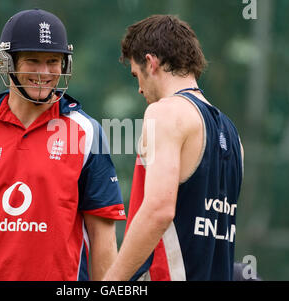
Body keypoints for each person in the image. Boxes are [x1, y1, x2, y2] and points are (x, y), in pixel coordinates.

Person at [0, 9, 125, 281]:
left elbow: (102, 237)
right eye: (32, 61)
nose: (44, 72)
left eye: (53, 61)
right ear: (6, 63)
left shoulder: (88, 133)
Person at [103, 15, 244, 281]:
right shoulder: (232, 134)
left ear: (150, 62)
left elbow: (159, 211)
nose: (139, 89)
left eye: (137, 75)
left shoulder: (165, 113)